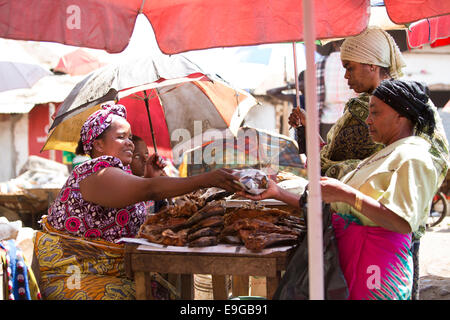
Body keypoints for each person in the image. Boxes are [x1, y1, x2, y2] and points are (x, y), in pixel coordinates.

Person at [241, 79, 447, 300]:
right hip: (352, 266)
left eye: (375, 113)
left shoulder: (414, 157)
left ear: (401, 115)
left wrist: (348, 195)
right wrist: (278, 192)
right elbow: (332, 205)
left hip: (376, 274)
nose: (368, 120)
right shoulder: (386, 153)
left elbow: (403, 222)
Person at [288, 27, 449, 300]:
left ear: (372, 65)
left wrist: (344, 189)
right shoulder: (405, 102)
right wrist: (308, 129)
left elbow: (337, 168)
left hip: (381, 227)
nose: (346, 76)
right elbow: (343, 162)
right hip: (380, 228)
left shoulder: (388, 112)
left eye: (349, 67)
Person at [33, 102, 243, 300]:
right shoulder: (95, 173)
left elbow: (150, 196)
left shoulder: (118, 174)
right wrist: (207, 178)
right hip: (74, 277)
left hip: (111, 271)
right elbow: (150, 190)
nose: (130, 143)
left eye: (130, 137)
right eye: (121, 137)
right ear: (98, 144)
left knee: (163, 288)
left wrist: (152, 177)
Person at [130, 134, 169, 214]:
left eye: (147, 154)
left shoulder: (153, 182)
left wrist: (167, 188)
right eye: (137, 156)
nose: (145, 159)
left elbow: (163, 208)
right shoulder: (125, 188)